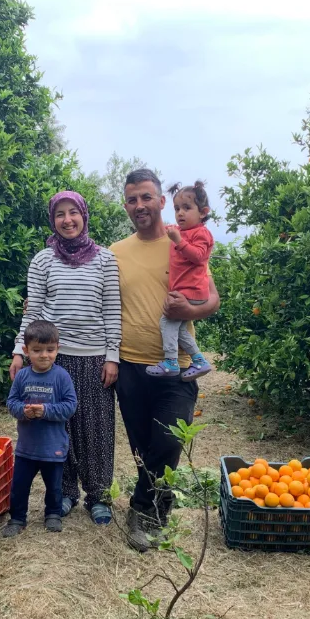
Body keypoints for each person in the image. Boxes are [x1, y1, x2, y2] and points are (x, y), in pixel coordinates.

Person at [110, 169, 220, 552]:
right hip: (129, 365)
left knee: (169, 440)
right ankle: (150, 504)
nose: (139, 205)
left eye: (146, 197)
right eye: (132, 199)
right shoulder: (115, 253)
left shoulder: (183, 240)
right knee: (142, 446)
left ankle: (149, 510)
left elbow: (212, 300)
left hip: (176, 369)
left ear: (160, 202)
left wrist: (190, 305)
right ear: (126, 205)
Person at [10, 190, 121, 525]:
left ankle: (99, 495)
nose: (68, 220)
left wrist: (112, 356)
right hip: (52, 359)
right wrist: (20, 350)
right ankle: (67, 492)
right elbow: (34, 311)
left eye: (74, 212)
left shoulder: (105, 260)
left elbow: (112, 310)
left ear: (84, 216)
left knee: (97, 427)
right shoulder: (43, 260)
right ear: (52, 220)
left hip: (94, 355)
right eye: (60, 214)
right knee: (61, 426)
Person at [3, 320, 78, 537]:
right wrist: (23, 412)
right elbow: (12, 402)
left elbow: (70, 407)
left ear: (57, 349)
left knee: (54, 485)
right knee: (19, 486)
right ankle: (17, 518)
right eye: (37, 350)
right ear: (26, 351)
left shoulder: (61, 376)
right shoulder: (23, 376)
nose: (44, 355)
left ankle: (53, 514)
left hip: (53, 446)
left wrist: (45, 410)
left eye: (50, 350)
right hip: (27, 447)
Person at [147, 181, 214, 380]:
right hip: (185, 290)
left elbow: (199, 256)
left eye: (187, 208)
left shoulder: (201, 233)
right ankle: (200, 361)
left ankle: (170, 362)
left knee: (166, 322)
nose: (180, 213)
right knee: (179, 329)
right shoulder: (184, 232)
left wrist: (178, 240)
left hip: (191, 291)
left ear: (203, 212)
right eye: (177, 209)